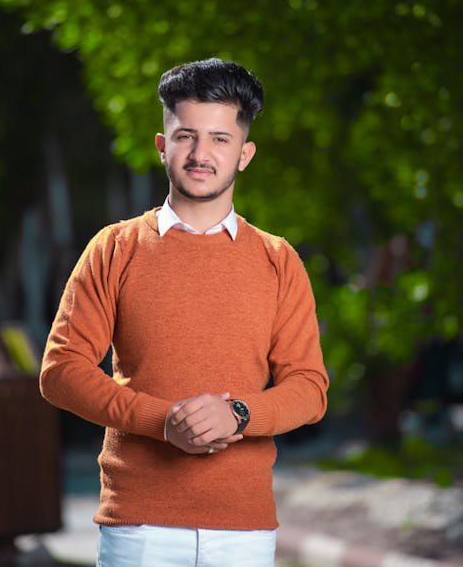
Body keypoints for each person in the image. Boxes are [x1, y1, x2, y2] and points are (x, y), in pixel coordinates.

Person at [40, 58, 329, 567]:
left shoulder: (279, 260)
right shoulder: (115, 248)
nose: (201, 154)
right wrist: (163, 422)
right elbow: (61, 372)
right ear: (162, 144)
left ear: (245, 154)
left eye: (220, 139)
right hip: (139, 527)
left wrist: (237, 414)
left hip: (243, 528)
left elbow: (309, 387)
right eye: (186, 136)